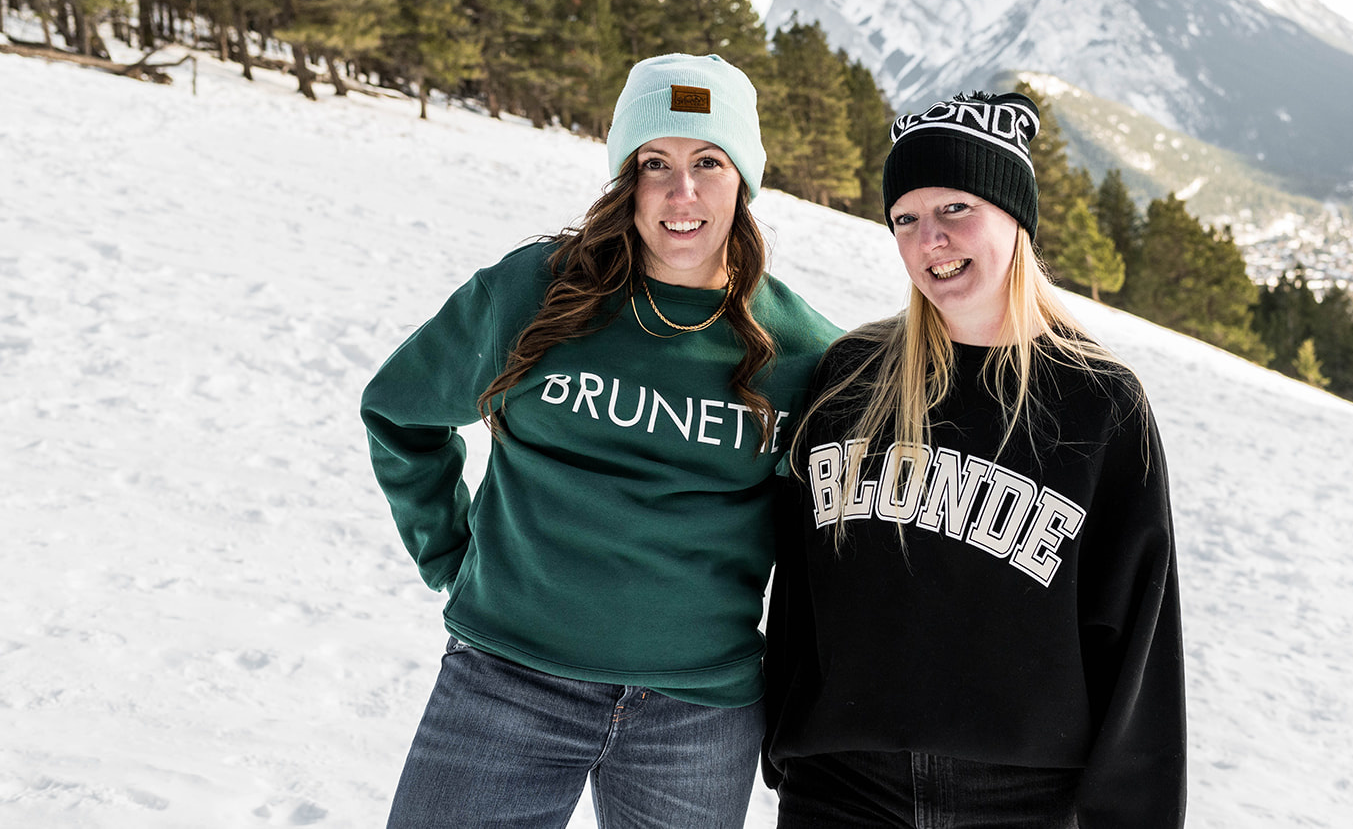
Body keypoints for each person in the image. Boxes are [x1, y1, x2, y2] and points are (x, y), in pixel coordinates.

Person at [361, 52, 840, 829]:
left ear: (744, 181)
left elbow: (835, 540)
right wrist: (452, 557)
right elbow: (400, 412)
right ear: (626, 178)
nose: (682, 194)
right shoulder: (533, 294)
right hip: (507, 682)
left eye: (709, 162)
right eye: (657, 162)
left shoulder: (806, 355)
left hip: (697, 715)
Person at [762, 90, 1186, 828]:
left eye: (956, 208)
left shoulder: (1099, 404)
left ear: (1014, 215)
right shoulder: (851, 377)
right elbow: (801, 582)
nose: (931, 240)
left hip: (1024, 800)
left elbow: (1138, 635)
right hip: (842, 790)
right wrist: (787, 743)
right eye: (906, 219)